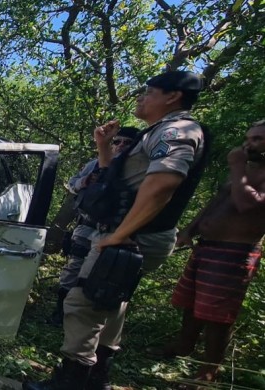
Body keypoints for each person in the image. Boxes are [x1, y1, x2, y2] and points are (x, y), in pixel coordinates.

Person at [24, 70, 207, 390]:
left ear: (172, 96)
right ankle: (97, 379)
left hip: (133, 235)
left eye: (148, 91)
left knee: (83, 304)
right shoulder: (156, 132)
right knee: (110, 304)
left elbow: (164, 183)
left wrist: (121, 234)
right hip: (132, 234)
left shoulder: (177, 130)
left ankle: (70, 382)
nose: (140, 97)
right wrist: (104, 147)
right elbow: (115, 184)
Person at [150, 120, 265, 388]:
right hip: (207, 246)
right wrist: (190, 229)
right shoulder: (246, 169)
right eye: (248, 138)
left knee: (217, 315)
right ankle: (183, 347)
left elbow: (246, 204)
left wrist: (237, 167)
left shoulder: (246, 171)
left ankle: (208, 373)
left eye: (258, 139)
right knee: (191, 304)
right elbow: (218, 202)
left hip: (235, 252)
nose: (249, 145)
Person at [47, 127, 139, 326]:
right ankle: (60, 315)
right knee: (73, 269)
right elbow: (71, 185)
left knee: (98, 275)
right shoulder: (94, 165)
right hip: (86, 225)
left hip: (114, 231)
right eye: (117, 141)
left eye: (127, 142)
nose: (121, 145)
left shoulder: (136, 171)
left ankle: (84, 322)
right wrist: (85, 182)